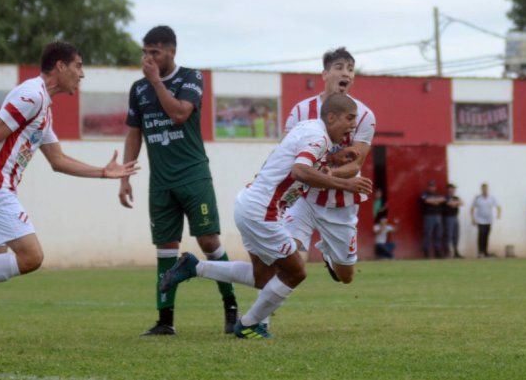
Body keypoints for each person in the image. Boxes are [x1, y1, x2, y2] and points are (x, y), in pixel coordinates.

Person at [0, 42, 140, 345]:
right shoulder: (30, 95)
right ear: (60, 66)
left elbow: (58, 161)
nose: (82, 74)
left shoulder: (44, 106)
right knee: (31, 257)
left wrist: (103, 172)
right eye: (78, 66)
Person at [160, 94, 373, 339]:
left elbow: (298, 163)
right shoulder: (319, 136)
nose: (353, 125)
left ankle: (194, 267)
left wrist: (333, 160)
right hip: (263, 211)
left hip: (249, 203)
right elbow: (300, 171)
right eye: (349, 118)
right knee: (296, 272)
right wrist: (344, 185)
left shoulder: (308, 128)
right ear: (331, 116)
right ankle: (249, 323)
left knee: (263, 276)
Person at [118, 25, 238, 336]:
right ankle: (165, 321)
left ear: (171, 51)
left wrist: (156, 81)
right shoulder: (138, 89)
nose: (148, 58)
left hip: (193, 176)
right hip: (161, 182)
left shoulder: (191, 78)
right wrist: (125, 174)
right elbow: (134, 132)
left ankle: (231, 306)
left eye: (154, 52)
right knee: (165, 248)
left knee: (208, 241)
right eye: (145, 52)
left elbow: (180, 114)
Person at [281, 47, 377, 284]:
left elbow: (356, 165)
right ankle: (261, 318)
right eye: (339, 67)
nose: (346, 73)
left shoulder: (364, 115)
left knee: (346, 277)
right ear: (324, 74)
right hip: (303, 196)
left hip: (341, 203)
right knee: (283, 255)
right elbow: (286, 155)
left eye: (351, 69)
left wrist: (330, 171)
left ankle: (329, 253)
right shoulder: (301, 111)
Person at [470, 183, 501, 258]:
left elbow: (498, 206)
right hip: (480, 220)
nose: (485, 190)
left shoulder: (491, 198)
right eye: (483, 189)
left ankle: (485, 252)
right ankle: (480, 252)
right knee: (481, 235)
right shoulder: (477, 198)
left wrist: (498, 214)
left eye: (486, 189)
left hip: (489, 220)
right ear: (481, 189)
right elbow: (472, 208)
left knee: (486, 236)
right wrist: (473, 218)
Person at [420, 180, 446, 258]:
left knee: (438, 234)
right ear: (428, 187)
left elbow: (443, 199)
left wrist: (433, 201)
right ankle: (426, 252)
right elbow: (427, 200)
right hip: (429, 216)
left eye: (433, 186)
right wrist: (435, 201)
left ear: (435, 187)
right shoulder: (424, 194)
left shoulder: (437, 194)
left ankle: (437, 251)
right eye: (430, 186)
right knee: (428, 234)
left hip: (438, 216)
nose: (432, 188)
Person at [443, 183, 463, 258]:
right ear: (448, 189)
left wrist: (455, 203)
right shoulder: (445, 197)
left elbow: (461, 203)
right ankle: (448, 252)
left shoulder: (455, 197)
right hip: (448, 217)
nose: (452, 190)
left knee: (456, 235)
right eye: (451, 188)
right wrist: (456, 203)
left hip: (455, 217)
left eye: (453, 189)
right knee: (449, 235)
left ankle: (456, 252)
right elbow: (450, 204)